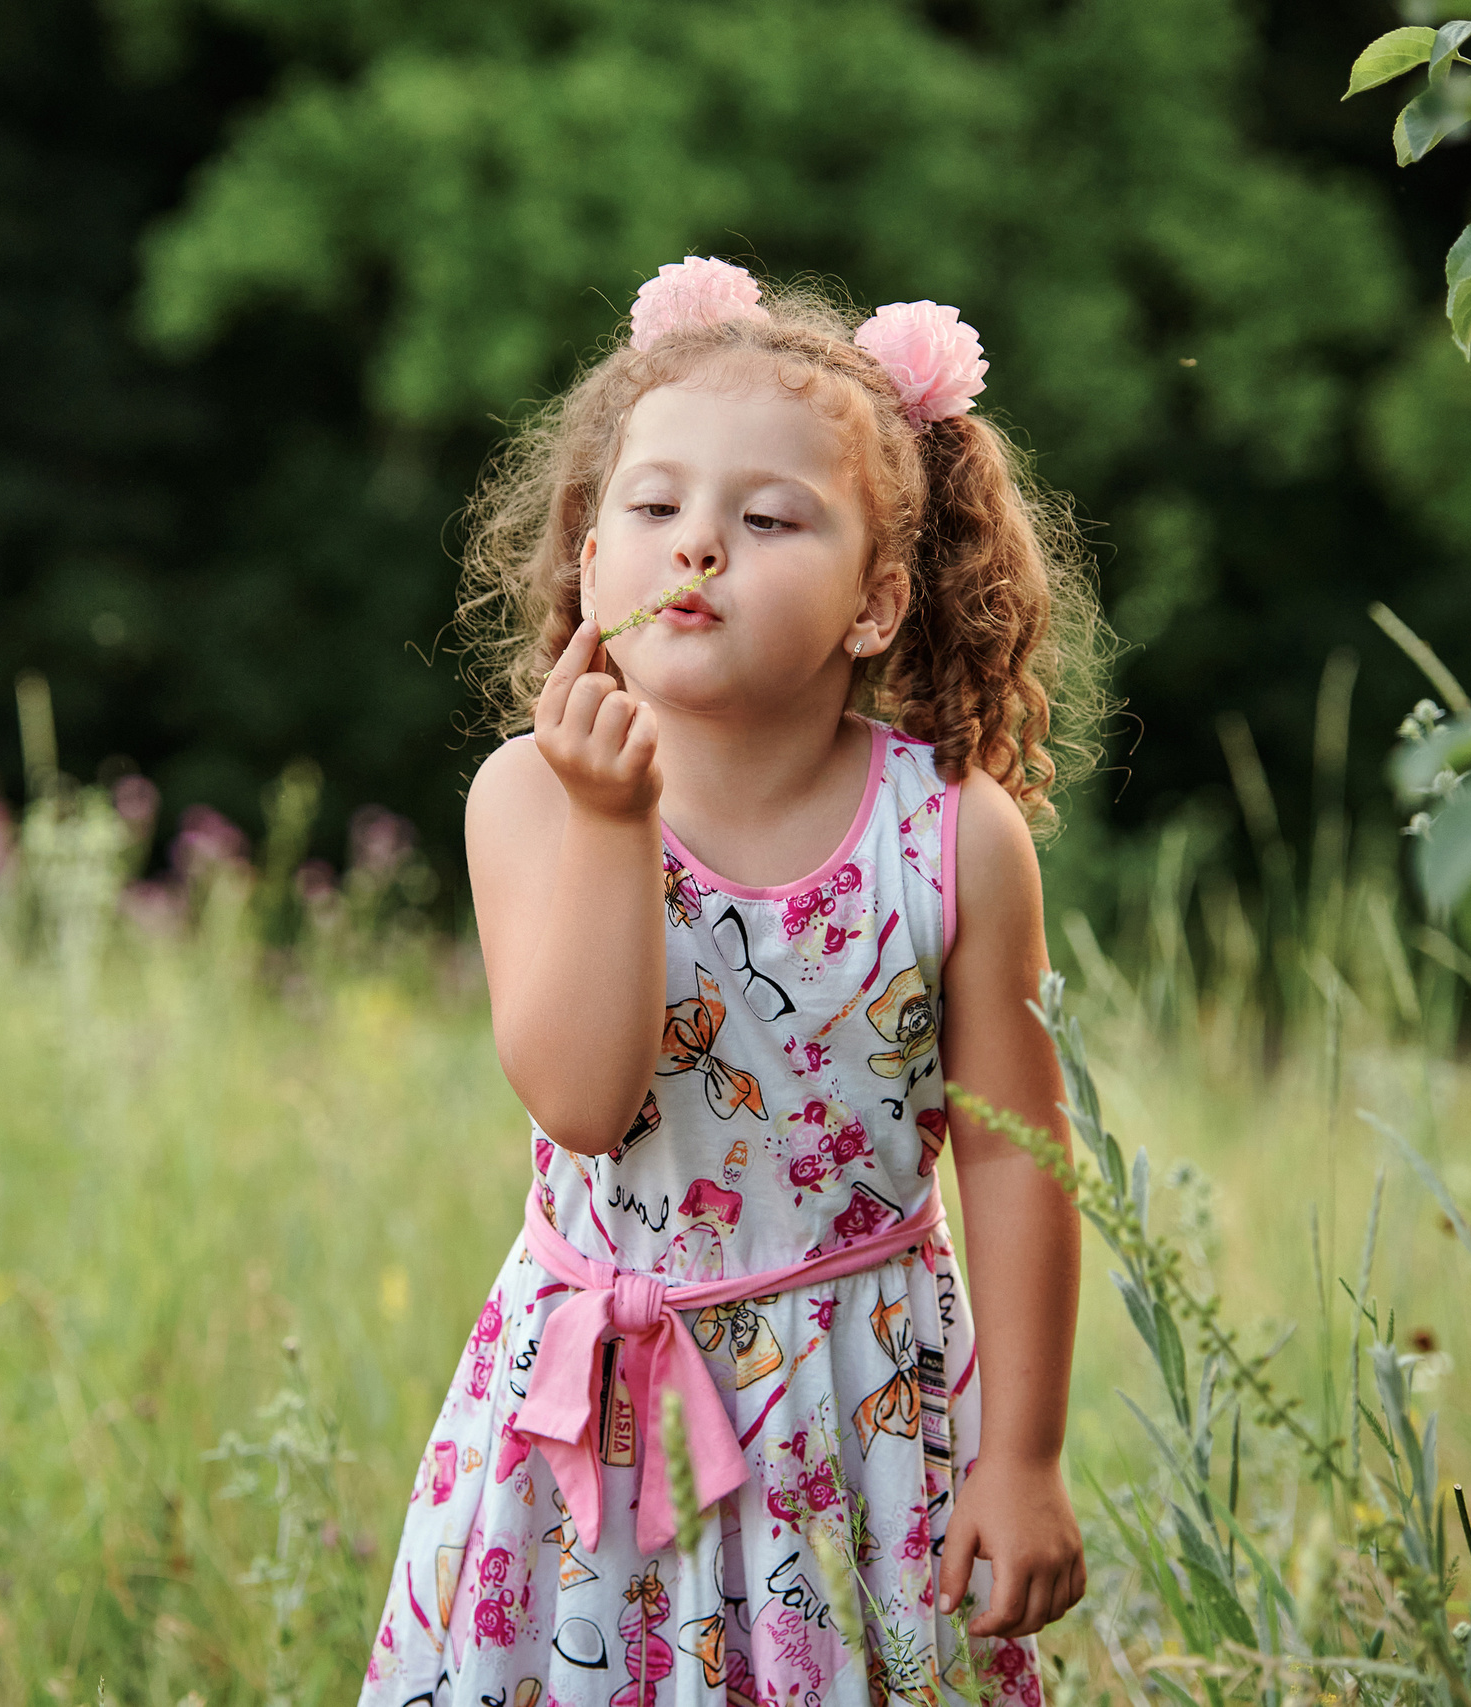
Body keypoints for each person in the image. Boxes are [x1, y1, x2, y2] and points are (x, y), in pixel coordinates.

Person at [361, 257, 1102, 1706]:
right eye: (652, 510)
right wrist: (615, 825)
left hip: (862, 1421)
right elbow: (584, 1100)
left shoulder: (951, 833)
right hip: (596, 1449)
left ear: (878, 603)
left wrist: (1022, 1457)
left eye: (765, 521)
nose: (695, 547)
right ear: (589, 562)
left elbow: (1020, 1159)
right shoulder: (531, 798)